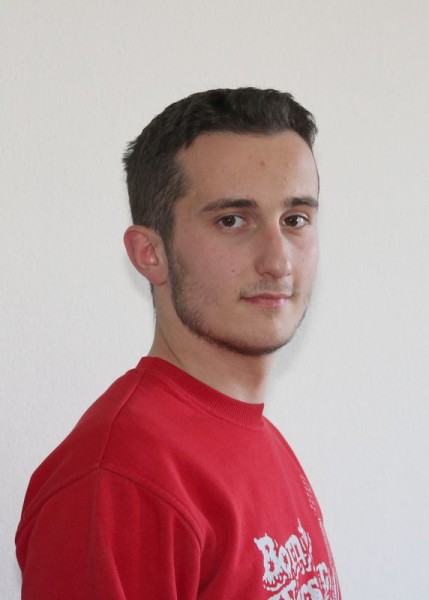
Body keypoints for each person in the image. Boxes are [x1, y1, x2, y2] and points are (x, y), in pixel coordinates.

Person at [16, 87, 342, 599]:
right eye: (232, 220)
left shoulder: (263, 441)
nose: (278, 261)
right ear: (150, 253)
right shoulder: (118, 478)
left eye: (295, 219)